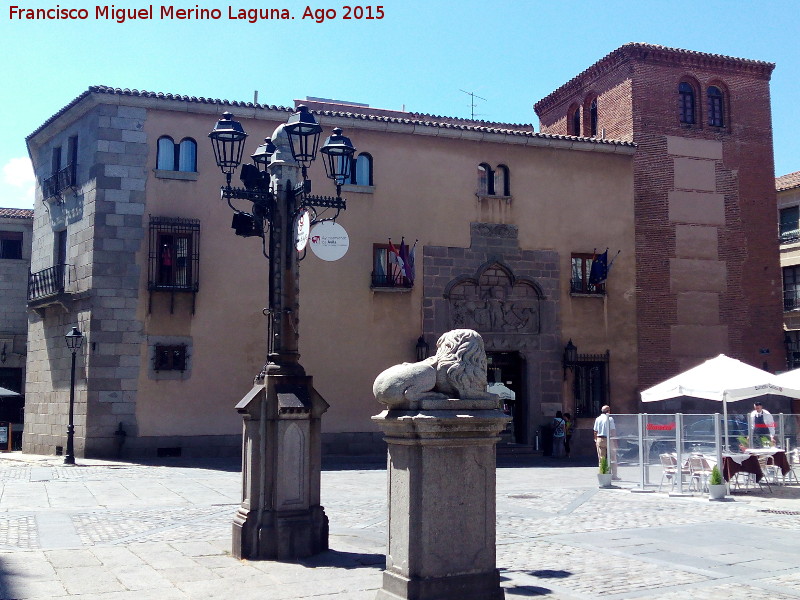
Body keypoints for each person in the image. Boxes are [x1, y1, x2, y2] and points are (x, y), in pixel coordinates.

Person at [593, 405, 619, 479]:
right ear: (609, 411)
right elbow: (613, 431)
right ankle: (614, 475)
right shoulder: (610, 419)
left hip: (600, 439)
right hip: (609, 439)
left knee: (602, 459)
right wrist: (615, 441)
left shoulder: (597, 419)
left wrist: (595, 440)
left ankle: (603, 474)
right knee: (613, 458)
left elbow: (595, 431)